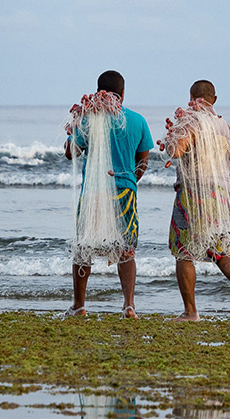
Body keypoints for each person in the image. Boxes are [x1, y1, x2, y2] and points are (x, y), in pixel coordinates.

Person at [161, 80, 230, 322]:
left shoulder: (191, 122)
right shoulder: (226, 127)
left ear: (193, 98)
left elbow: (175, 151)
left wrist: (172, 135)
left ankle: (191, 311)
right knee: (220, 250)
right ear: (214, 100)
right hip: (220, 197)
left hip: (193, 195)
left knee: (183, 252)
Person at [63, 70, 153, 319]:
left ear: (98, 90)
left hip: (93, 191)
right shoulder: (138, 120)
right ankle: (129, 305)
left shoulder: (88, 119)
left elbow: (71, 153)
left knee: (84, 247)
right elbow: (143, 160)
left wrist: (73, 126)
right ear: (123, 93)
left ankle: (79, 305)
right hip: (125, 191)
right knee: (126, 250)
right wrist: (131, 180)